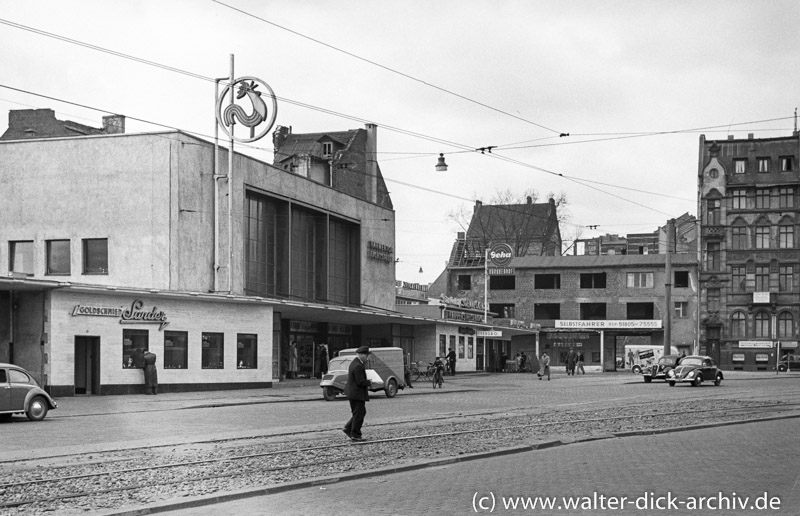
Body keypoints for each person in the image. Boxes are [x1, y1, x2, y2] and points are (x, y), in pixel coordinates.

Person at [343, 346, 371, 441]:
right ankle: (355, 434)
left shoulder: (355, 362)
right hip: (356, 393)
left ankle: (348, 428)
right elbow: (360, 381)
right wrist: (370, 382)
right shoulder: (358, 365)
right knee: (359, 413)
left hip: (353, 393)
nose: (367, 358)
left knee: (359, 412)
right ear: (362, 355)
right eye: (366, 356)